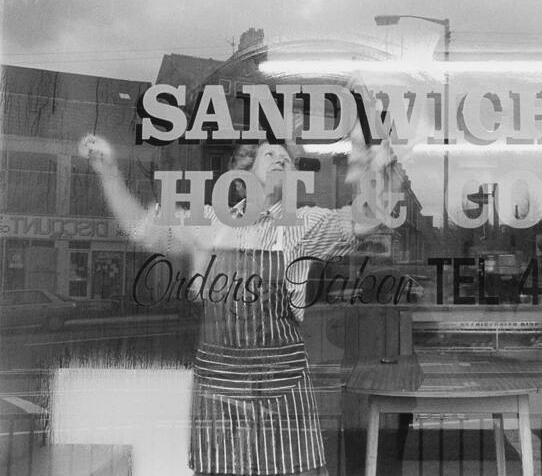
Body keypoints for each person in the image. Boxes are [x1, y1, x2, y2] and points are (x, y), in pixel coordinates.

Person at [78, 132, 394, 476]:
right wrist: (107, 172)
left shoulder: (307, 223)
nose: (280, 160)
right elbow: (141, 229)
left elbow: (367, 220)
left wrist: (374, 164)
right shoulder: (209, 222)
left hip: (284, 386)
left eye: (286, 160)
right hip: (218, 387)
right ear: (242, 178)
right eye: (269, 155)